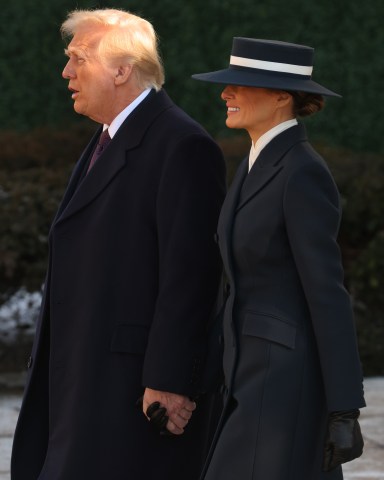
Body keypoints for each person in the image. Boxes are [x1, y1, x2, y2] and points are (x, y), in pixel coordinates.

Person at [11, 9, 226, 480]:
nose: (66, 72)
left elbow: (190, 275)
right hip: (83, 380)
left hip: (130, 395)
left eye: (77, 59)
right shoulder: (107, 138)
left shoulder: (182, 145)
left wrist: (170, 381)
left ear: (122, 69)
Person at [192, 38, 365, 480]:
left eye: (239, 85)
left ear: (281, 98)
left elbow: (327, 293)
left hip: (282, 385)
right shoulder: (255, 163)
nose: (224, 94)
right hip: (247, 377)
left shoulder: (302, 171)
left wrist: (344, 409)